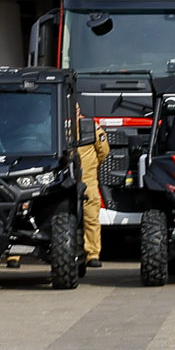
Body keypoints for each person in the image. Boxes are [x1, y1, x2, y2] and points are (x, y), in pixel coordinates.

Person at [76, 112, 110, 269]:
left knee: (91, 218)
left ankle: (92, 254)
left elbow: (103, 150)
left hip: (88, 180)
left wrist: (92, 167)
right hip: (65, 180)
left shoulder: (91, 127)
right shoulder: (57, 127)